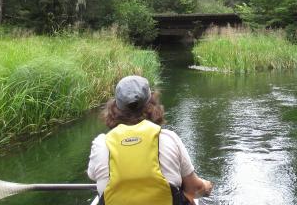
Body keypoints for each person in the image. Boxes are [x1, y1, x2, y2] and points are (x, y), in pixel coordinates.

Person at [87, 75, 213, 205]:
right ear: (152, 105)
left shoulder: (101, 143)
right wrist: (206, 186)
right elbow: (195, 189)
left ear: (114, 108)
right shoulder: (168, 138)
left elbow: (93, 175)